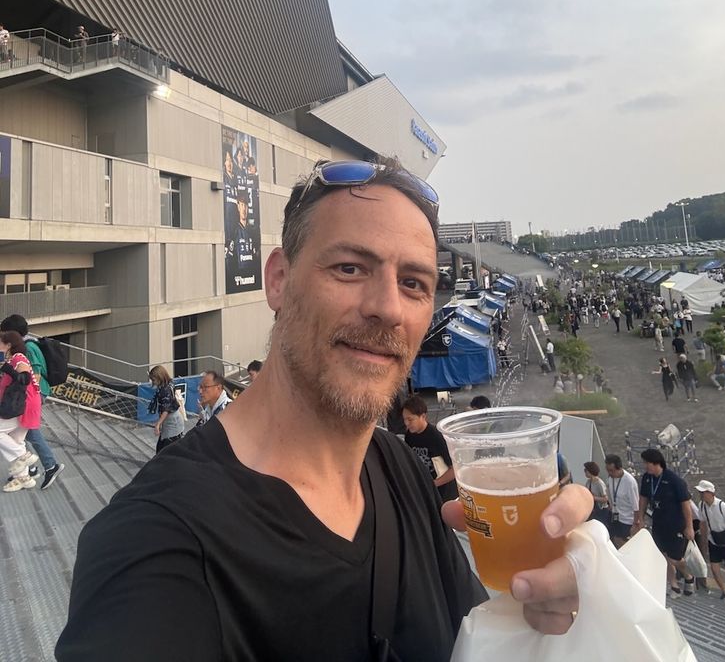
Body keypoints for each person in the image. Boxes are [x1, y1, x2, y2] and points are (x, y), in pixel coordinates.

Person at [57, 158, 592, 661]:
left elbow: (473, 636)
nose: (387, 308)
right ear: (279, 280)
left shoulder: (401, 471)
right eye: (350, 267)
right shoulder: (154, 545)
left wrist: (535, 606)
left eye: (414, 283)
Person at [0, 314, 64, 490]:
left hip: (31, 397)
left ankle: (47, 465)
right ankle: (26, 472)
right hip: (29, 397)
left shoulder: (28, 349)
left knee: (29, 432)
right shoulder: (23, 349)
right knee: (22, 433)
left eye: (4, 334)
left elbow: (30, 377)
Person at [637, 448, 694, 598]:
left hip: (675, 523)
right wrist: (640, 519)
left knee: (675, 558)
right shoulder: (647, 479)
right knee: (662, 555)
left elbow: (686, 504)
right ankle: (673, 585)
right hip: (658, 522)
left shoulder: (674, 480)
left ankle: (688, 576)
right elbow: (643, 499)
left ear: (656, 463)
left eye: (646, 463)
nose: (645, 466)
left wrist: (689, 527)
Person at [0, 330, 42, 492]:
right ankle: (23, 479)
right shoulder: (11, 359)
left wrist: (7, 368)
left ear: (8, 345)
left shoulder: (18, 358)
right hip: (25, 404)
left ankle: (23, 456)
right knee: (16, 439)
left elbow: (24, 378)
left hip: (22, 404)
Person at [695, 480, 725, 605]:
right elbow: (702, 524)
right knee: (714, 568)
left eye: (703, 492)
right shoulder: (701, 505)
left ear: (710, 493)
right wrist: (704, 542)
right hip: (714, 540)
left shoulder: (721, 506)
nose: (701, 495)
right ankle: (724, 591)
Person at [402, 395, 458, 503]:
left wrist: (434, 484)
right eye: (404, 419)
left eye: (410, 419)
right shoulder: (409, 435)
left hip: (444, 493)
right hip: (424, 490)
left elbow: (454, 469)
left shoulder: (436, 437)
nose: (406, 423)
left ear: (423, 416)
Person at [604, 454, 641, 548]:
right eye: (607, 470)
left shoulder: (629, 482)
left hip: (627, 519)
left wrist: (635, 524)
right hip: (615, 515)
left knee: (623, 542)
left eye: (611, 470)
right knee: (613, 539)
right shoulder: (610, 478)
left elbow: (636, 506)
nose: (609, 473)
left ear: (619, 468)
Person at [147, 365, 184, 453]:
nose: (153, 382)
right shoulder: (169, 384)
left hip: (172, 422)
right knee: (162, 449)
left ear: (160, 377)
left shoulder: (165, 390)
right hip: (171, 420)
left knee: (165, 450)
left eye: (154, 380)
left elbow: (166, 409)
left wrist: (158, 424)